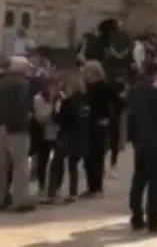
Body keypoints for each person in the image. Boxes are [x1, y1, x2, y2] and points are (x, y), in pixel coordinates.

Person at [127, 59, 157, 233]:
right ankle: (153, 219)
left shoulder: (135, 90)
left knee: (139, 179)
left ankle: (136, 218)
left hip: (141, 141)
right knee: (156, 181)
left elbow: (131, 116)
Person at [0, 56, 35, 212]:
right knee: (20, 165)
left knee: (0, 166)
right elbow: (21, 106)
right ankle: (21, 200)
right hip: (17, 129)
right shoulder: (22, 83)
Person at [45, 73, 89, 203]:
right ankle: (73, 193)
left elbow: (59, 119)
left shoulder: (67, 102)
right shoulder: (86, 101)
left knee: (56, 164)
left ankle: (51, 193)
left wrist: (54, 110)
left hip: (66, 137)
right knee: (73, 165)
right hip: (81, 136)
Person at [82, 60, 115, 198]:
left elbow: (116, 104)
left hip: (100, 123)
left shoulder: (105, 87)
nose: (84, 74)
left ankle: (98, 188)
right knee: (88, 158)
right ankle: (90, 187)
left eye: (87, 71)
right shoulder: (85, 87)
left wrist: (108, 118)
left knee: (97, 157)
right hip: (87, 123)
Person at [33, 76, 60, 199]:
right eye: (51, 86)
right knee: (42, 161)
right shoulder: (39, 98)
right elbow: (40, 118)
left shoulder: (61, 98)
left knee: (58, 161)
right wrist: (52, 113)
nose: (54, 89)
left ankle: (55, 188)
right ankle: (42, 187)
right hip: (43, 133)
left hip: (57, 132)